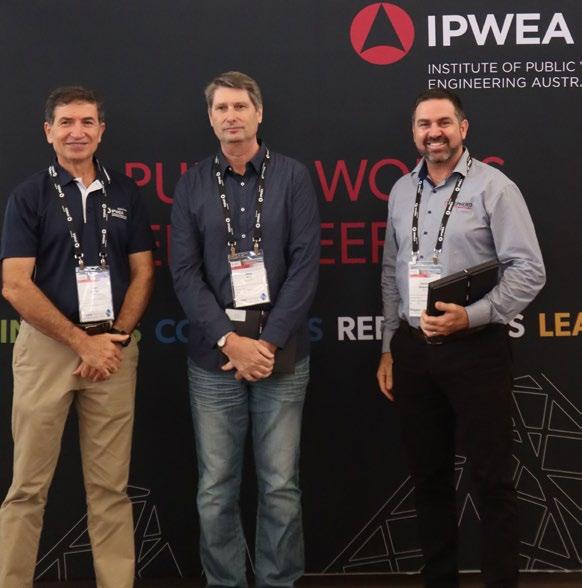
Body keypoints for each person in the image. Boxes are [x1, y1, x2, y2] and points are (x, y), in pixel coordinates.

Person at [377, 89, 545, 587]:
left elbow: (529, 270)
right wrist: (388, 347)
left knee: (492, 480)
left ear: (463, 128)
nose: (435, 133)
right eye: (424, 124)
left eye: (444, 123)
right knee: (428, 480)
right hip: (413, 352)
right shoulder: (400, 191)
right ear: (414, 133)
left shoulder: (495, 187)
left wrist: (470, 317)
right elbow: (391, 273)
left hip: (476, 350)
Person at [0, 86, 155, 588]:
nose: (77, 132)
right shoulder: (29, 196)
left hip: (113, 352)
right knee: (27, 488)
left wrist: (115, 338)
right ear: (48, 132)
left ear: (101, 131)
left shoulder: (125, 193)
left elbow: (143, 273)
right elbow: (15, 284)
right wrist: (79, 341)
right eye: (66, 122)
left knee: (110, 489)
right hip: (48, 350)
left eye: (87, 122)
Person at [171, 71, 320, 587]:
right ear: (210, 118)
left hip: (282, 354)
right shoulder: (191, 183)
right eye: (221, 108)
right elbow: (184, 273)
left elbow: (304, 267)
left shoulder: (293, 177)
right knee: (216, 488)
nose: (231, 116)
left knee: (280, 486)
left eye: (240, 107)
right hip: (214, 357)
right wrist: (231, 341)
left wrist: (267, 343)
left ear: (259, 113)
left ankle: (280, 581)